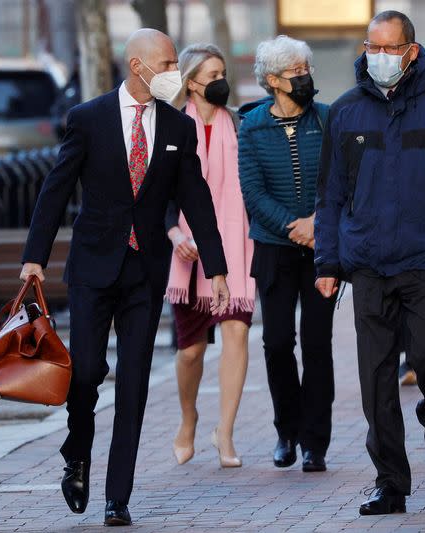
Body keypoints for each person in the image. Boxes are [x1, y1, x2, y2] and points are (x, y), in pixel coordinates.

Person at [20, 29, 230, 526]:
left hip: (145, 271)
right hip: (94, 267)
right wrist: (35, 257)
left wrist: (217, 268)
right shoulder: (88, 119)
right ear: (138, 67)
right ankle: (77, 451)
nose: (174, 73)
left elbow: (197, 199)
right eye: (167, 64)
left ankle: (118, 496)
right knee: (88, 370)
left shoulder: (178, 127)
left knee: (134, 381)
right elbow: (56, 189)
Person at [315, 11, 425, 515]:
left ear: (411, 52)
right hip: (368, 263)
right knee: (375, 379)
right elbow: (329, 195)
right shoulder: (345, 112)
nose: (381, 57)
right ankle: (390, 481)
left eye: (391, 49)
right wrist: (327, 261)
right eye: (373, 47)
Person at [238, 35, 335, 473]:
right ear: (273, 80)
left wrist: (316, 222)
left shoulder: (328, 119)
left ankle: (316, 442)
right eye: (295, 72)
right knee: (277, 342)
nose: (304, 77)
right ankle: (286, 431)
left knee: (317, 344)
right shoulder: (252, 125)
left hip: (320, 249)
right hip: (275, 249)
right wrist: (291, 227)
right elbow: (253, 191)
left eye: (305, 68)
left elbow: (340, 183)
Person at [164, 43, 254, 469]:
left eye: (223, 73)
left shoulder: (238, 123)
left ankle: (227, 432)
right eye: (212, 74)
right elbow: (158, 190)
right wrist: (175, 231)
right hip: (188, 250)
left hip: (236, 246)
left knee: (236, 332)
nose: (220, 81)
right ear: (190, 81)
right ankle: (188, 418)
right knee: (192, 352)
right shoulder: (169, 126)